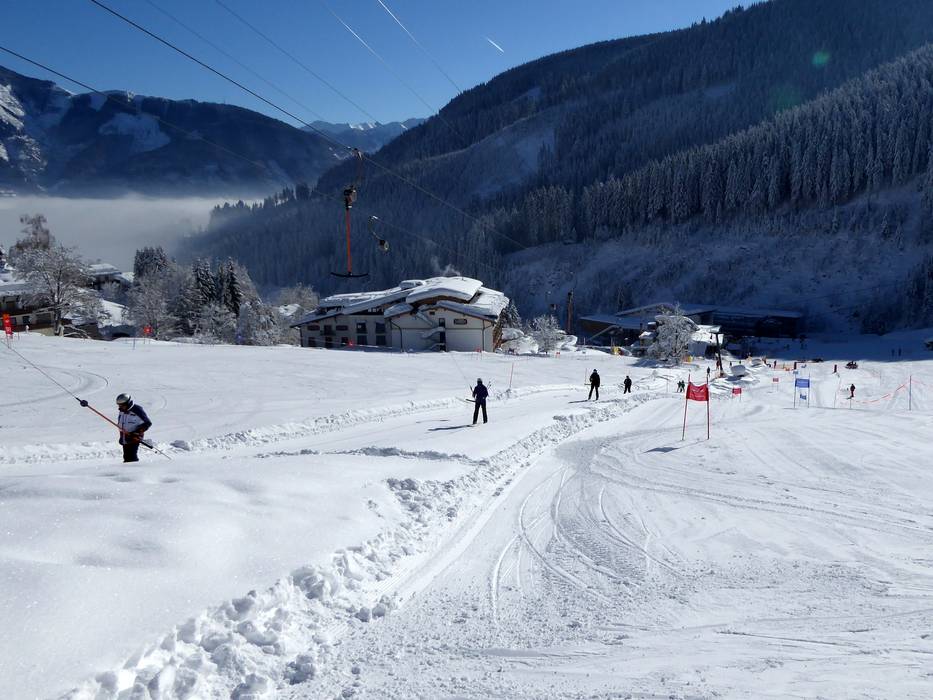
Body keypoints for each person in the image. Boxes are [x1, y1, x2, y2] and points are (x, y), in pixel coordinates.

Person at [116, 393, 152, 463]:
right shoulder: (121, 411)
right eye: (119, 405)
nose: (120, 407)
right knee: (126, 457)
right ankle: (128, 469)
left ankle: (134, 469)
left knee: (131, 457)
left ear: (127, 403)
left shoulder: (137, 409)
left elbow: (147, 423)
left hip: (134, 438)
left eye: (122, 405)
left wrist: (137, 432)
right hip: (125, 438)